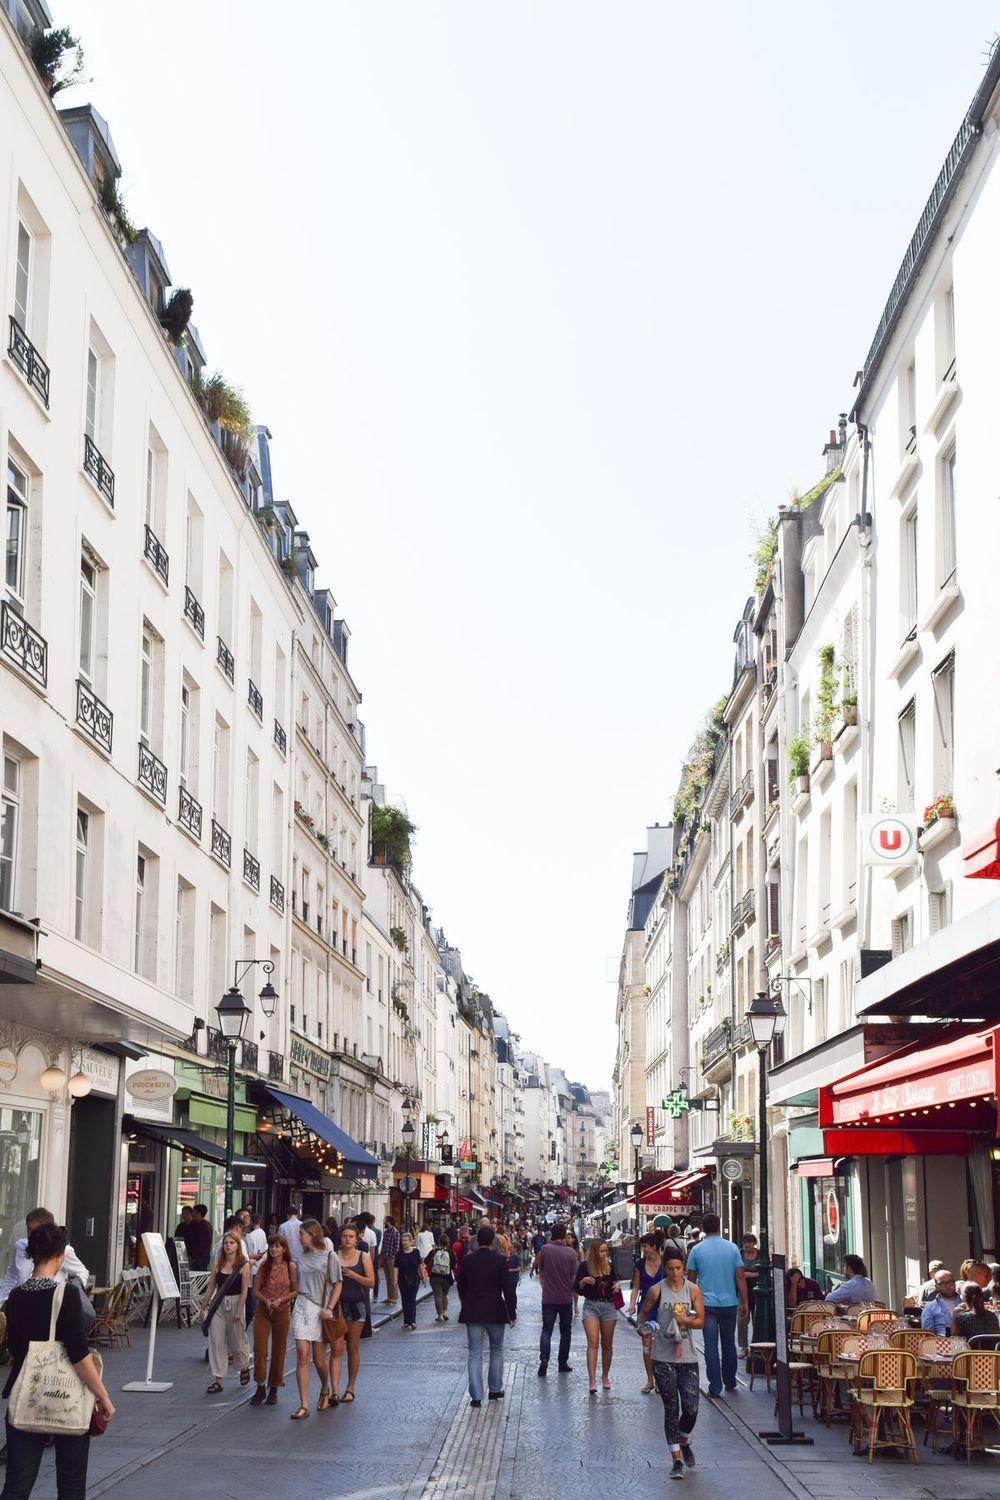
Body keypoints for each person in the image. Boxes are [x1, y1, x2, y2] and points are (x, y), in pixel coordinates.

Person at [1, 1222, 115, 1499]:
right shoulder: (66, 1294)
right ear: (61, 1256)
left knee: (17, 1484)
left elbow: (16, 1349)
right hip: (66, 1393)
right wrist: (102, 1395)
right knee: (71, 1483)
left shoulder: (15, 1297)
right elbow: (78, 1352)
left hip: (26, 1391)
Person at [642, 1245, 705, 1480]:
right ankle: (676, 1459)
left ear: (684, 1267)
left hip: (687, 1356)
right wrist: (643, 1328)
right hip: (663, 1356)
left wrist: (686, 1320)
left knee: (691, 1408)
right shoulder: (657, 1291)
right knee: (671, 1409)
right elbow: (644, 1314)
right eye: (670, 1269)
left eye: (679, 1268)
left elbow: (701, 1320)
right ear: (664, 1269)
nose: (675, 1273)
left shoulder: (694, 1291)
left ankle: (684, 1441)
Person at [685, 1212, 747, 1399]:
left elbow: (691, 1280)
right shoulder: (733, 1248)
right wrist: (745, 1301)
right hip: (729, 1303)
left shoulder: (697, 1250)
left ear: (703, 1229)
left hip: (707, 1304)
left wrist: (690, 1303)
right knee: (729, 1341)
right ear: (719, 1226)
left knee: (710, 1343)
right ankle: (730, 1380)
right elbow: (740, 1276)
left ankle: (715, 1385)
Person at [288, 1219, 340, 1418]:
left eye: (302, 1234)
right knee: (302, 1355)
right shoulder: (300, 1257)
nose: (299, 1238)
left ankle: (325, 1388)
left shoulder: (330, 1256)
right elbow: (297, 1284)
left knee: (319, 1360)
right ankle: (304, 1404)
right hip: (302, 1306)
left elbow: (337, 1284)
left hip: (321, 1310)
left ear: (313, 1234)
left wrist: (330, 1308)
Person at [457, 1226, 514, 1408]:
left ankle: (476, 1396)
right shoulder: (500, 1261)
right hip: (495, 1311)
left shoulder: (467, 1261)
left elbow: (461, 1286)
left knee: (474, 1353)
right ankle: (495, 1389)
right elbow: (508, 1289)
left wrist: (466, 1301)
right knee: (496, 1350)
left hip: (473, 1311)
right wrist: (512, 1312)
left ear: (477, 1241)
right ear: (492, 1242)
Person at [0, 1208, 90, 1305]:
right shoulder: (21, 1246)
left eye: (36, 1231)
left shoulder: (62, 1250)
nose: (32, 1234)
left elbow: (82, 1272)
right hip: (22, 1302)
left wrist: (70, 1294)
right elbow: (12, 1275)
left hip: (50, 1304)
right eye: (29, 1229)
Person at [199, 1230, 250, 1393]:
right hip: (219, 1304)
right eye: (226, 1243)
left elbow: (244, 1291)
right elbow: (211, 1286)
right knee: (216, 1341)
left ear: (238, 1245)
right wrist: (204, 1305)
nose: (228, 1246)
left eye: (232, 1243)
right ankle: (218, 1379)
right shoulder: (218, 1264)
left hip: (236, 1303)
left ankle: (243, 1365)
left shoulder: (244, 1265)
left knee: (237, 1340)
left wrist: (239, 1309)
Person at [250, 1234, 297, 1407]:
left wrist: (281, 1300)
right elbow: (255, 1290)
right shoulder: (264, 1266)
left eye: (277, 1246)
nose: (273, 1249)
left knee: (279, 1349)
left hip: (282, 1311)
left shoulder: (291, 1267)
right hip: (264, 1310)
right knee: (260, 1349)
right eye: (271, 1246)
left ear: (284, 1249)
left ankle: (274, 1387)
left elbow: (295, 1290)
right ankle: (260, 1385)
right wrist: (266, 1301)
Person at [330, 1224, 374, 1404]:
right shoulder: (333, 1256)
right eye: (344, 1236)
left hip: (357, 1305)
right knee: (336, 1348)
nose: (347, 1239)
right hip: (338, 1307)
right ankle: (334, 1390)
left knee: (352, 1347)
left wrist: (354, 1276)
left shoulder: (363, 1257)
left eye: (350, 1236)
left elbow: (371, 1282)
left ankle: (350, 1388)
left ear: (356, 1239)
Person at [576, 1239, 620, 1395]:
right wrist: (583, 1281)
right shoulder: (584, 1266)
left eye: (606, 1251)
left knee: (607, 1344)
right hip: (591, 1306)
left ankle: (605, 1376)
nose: (604, 1254)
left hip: (608, 1306)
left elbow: (615, 1281)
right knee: (593, 1343)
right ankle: (592, 1380)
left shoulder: (610, 1266)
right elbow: (577, 1288)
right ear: (594, 1251)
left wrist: (617, 1285)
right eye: (601, 1251)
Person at [536, 1222, 578, 1377]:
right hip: (565, 1298)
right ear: (563, 1236)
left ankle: (544, 1359)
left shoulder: (545, 1250)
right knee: (565, 1331)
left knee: (546, 1330)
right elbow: (574, 1275)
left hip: (548, 1297)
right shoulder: (571, 1253)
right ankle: (562, 1362)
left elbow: (543, 1270)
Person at [628, 1232, 664, 1394]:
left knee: (661, 1345)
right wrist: (631, 1305)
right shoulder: (639, 1265)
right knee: (647, 1345)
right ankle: (650, 1379)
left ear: (655, 1246)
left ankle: (660, 1379)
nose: (643, 1249)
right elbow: (636, 1286)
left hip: (664, 1308)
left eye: (646, 1246)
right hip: (646, 1308)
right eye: (642, 1246)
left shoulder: (666, 1263)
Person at [395, 1230, 425, 1329]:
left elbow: (420, 1265)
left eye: (406, 1240)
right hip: (402, 1280)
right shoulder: (399, 1253)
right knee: (404, 1300)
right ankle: (406, 1321)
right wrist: (394, 1279)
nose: (404, 1242)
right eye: (402, 1240)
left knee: (411, 1300)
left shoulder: (416, 1252)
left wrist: (423, 1277)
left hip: (414, 1279)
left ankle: (412, 1321)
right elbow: (396, 1267)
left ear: (411, 1241)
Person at [920, 1267, 961, 1335]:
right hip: (940, 1342)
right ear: (936, 1287)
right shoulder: (930, 1308)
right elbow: (927, 1335)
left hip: (965, 1342)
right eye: (942, 1283)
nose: (948, 1286)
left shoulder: (966, 1303)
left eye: (950, 1282)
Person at [425, 1232, 456, 1321]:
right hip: (446, 1277)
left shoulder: (434, 1251)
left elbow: (426, 1261)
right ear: (448, 1242)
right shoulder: (450, 1252)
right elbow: (453, 1265)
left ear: (439, 1241)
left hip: (435, 1276)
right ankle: (445, 1312)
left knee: (437, 1296)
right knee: (445, 1295)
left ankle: (440, 1315)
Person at [738, 1233, 759, 1359]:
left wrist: (750, 1275)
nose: (747, 1245)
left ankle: (756, 1345)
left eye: (749, 1242)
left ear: (754, 1243)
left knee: (757, 1319)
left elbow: (765, 1271)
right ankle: (743, 1347)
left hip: (757, 1292)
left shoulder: (760, 1255)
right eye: (745, 1242)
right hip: (742, 1291)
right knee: (742, 1320)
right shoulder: (740, 1255)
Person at [187, 1203, 213, 1271]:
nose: (192, 1214)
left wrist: (194, 1257)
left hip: (200, 1258)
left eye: (193, 1212)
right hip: (201, 1257)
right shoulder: (197, 1224)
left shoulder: (203, 1226)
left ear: (198, 1213)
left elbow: (200, 1243)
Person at [381, 1217, 401, 1305]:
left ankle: (394, 1297)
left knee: (393, 1278)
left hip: (391, 1258)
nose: (384, 1223)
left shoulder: (396, 1232)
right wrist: (381, 1255)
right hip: (385, 1256)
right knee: (388, 1278)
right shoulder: (386, 1232)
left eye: (385, 1221)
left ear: (389, 1222)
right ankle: (389, 1297)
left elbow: (397, 1246)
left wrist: (393, 1256)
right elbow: (384, 1244)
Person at [566, 1229, 584, 1315]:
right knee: (567, 1290)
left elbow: (582, 1261)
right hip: (566, 1272)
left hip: (576, 1272)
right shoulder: (565, 1249)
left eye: (569, 1238)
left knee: (575, 1290)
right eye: (566, 1238)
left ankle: (576, 1305)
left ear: (573, 1239)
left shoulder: (579, 1249)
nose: (567, 1239)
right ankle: (569, 1305)